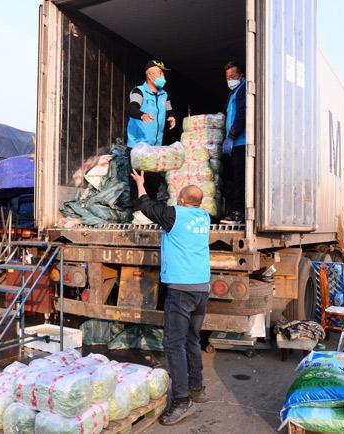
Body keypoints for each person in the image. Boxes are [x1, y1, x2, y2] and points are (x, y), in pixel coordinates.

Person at [131, 169, 210, 425]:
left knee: (173, 345)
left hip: (181, 290)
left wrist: (141, 185)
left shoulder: (176, 215)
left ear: (183, 201)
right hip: (201, 290)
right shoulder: (204, 216)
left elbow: (146, 206)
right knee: (191, 339)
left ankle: (181, 400)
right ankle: (197, 389)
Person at [126, 60, 177, 206]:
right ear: (150, 75)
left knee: (153, 182)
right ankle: (137, 214)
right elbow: (132, 108)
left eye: (163, 73)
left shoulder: (164, 94)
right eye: (160, 73)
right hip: (138, 147)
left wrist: (172, 117)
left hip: (155, 148)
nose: (163, 76)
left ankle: (151, 213)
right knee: (138, 181)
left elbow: (169, 109)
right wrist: (141, 114)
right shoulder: (139, 91)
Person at [221, 60, 246, 224]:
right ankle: (235, 211)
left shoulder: (243, 90)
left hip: (241, 142)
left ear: (241, 75)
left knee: (240, 178)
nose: (230, 79)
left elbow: (242, 115)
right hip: (234, 144)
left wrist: (232, 135)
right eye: (227, 77)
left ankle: (238, 213)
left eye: (233, 76)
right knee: (234, 177)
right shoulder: (233, 93)